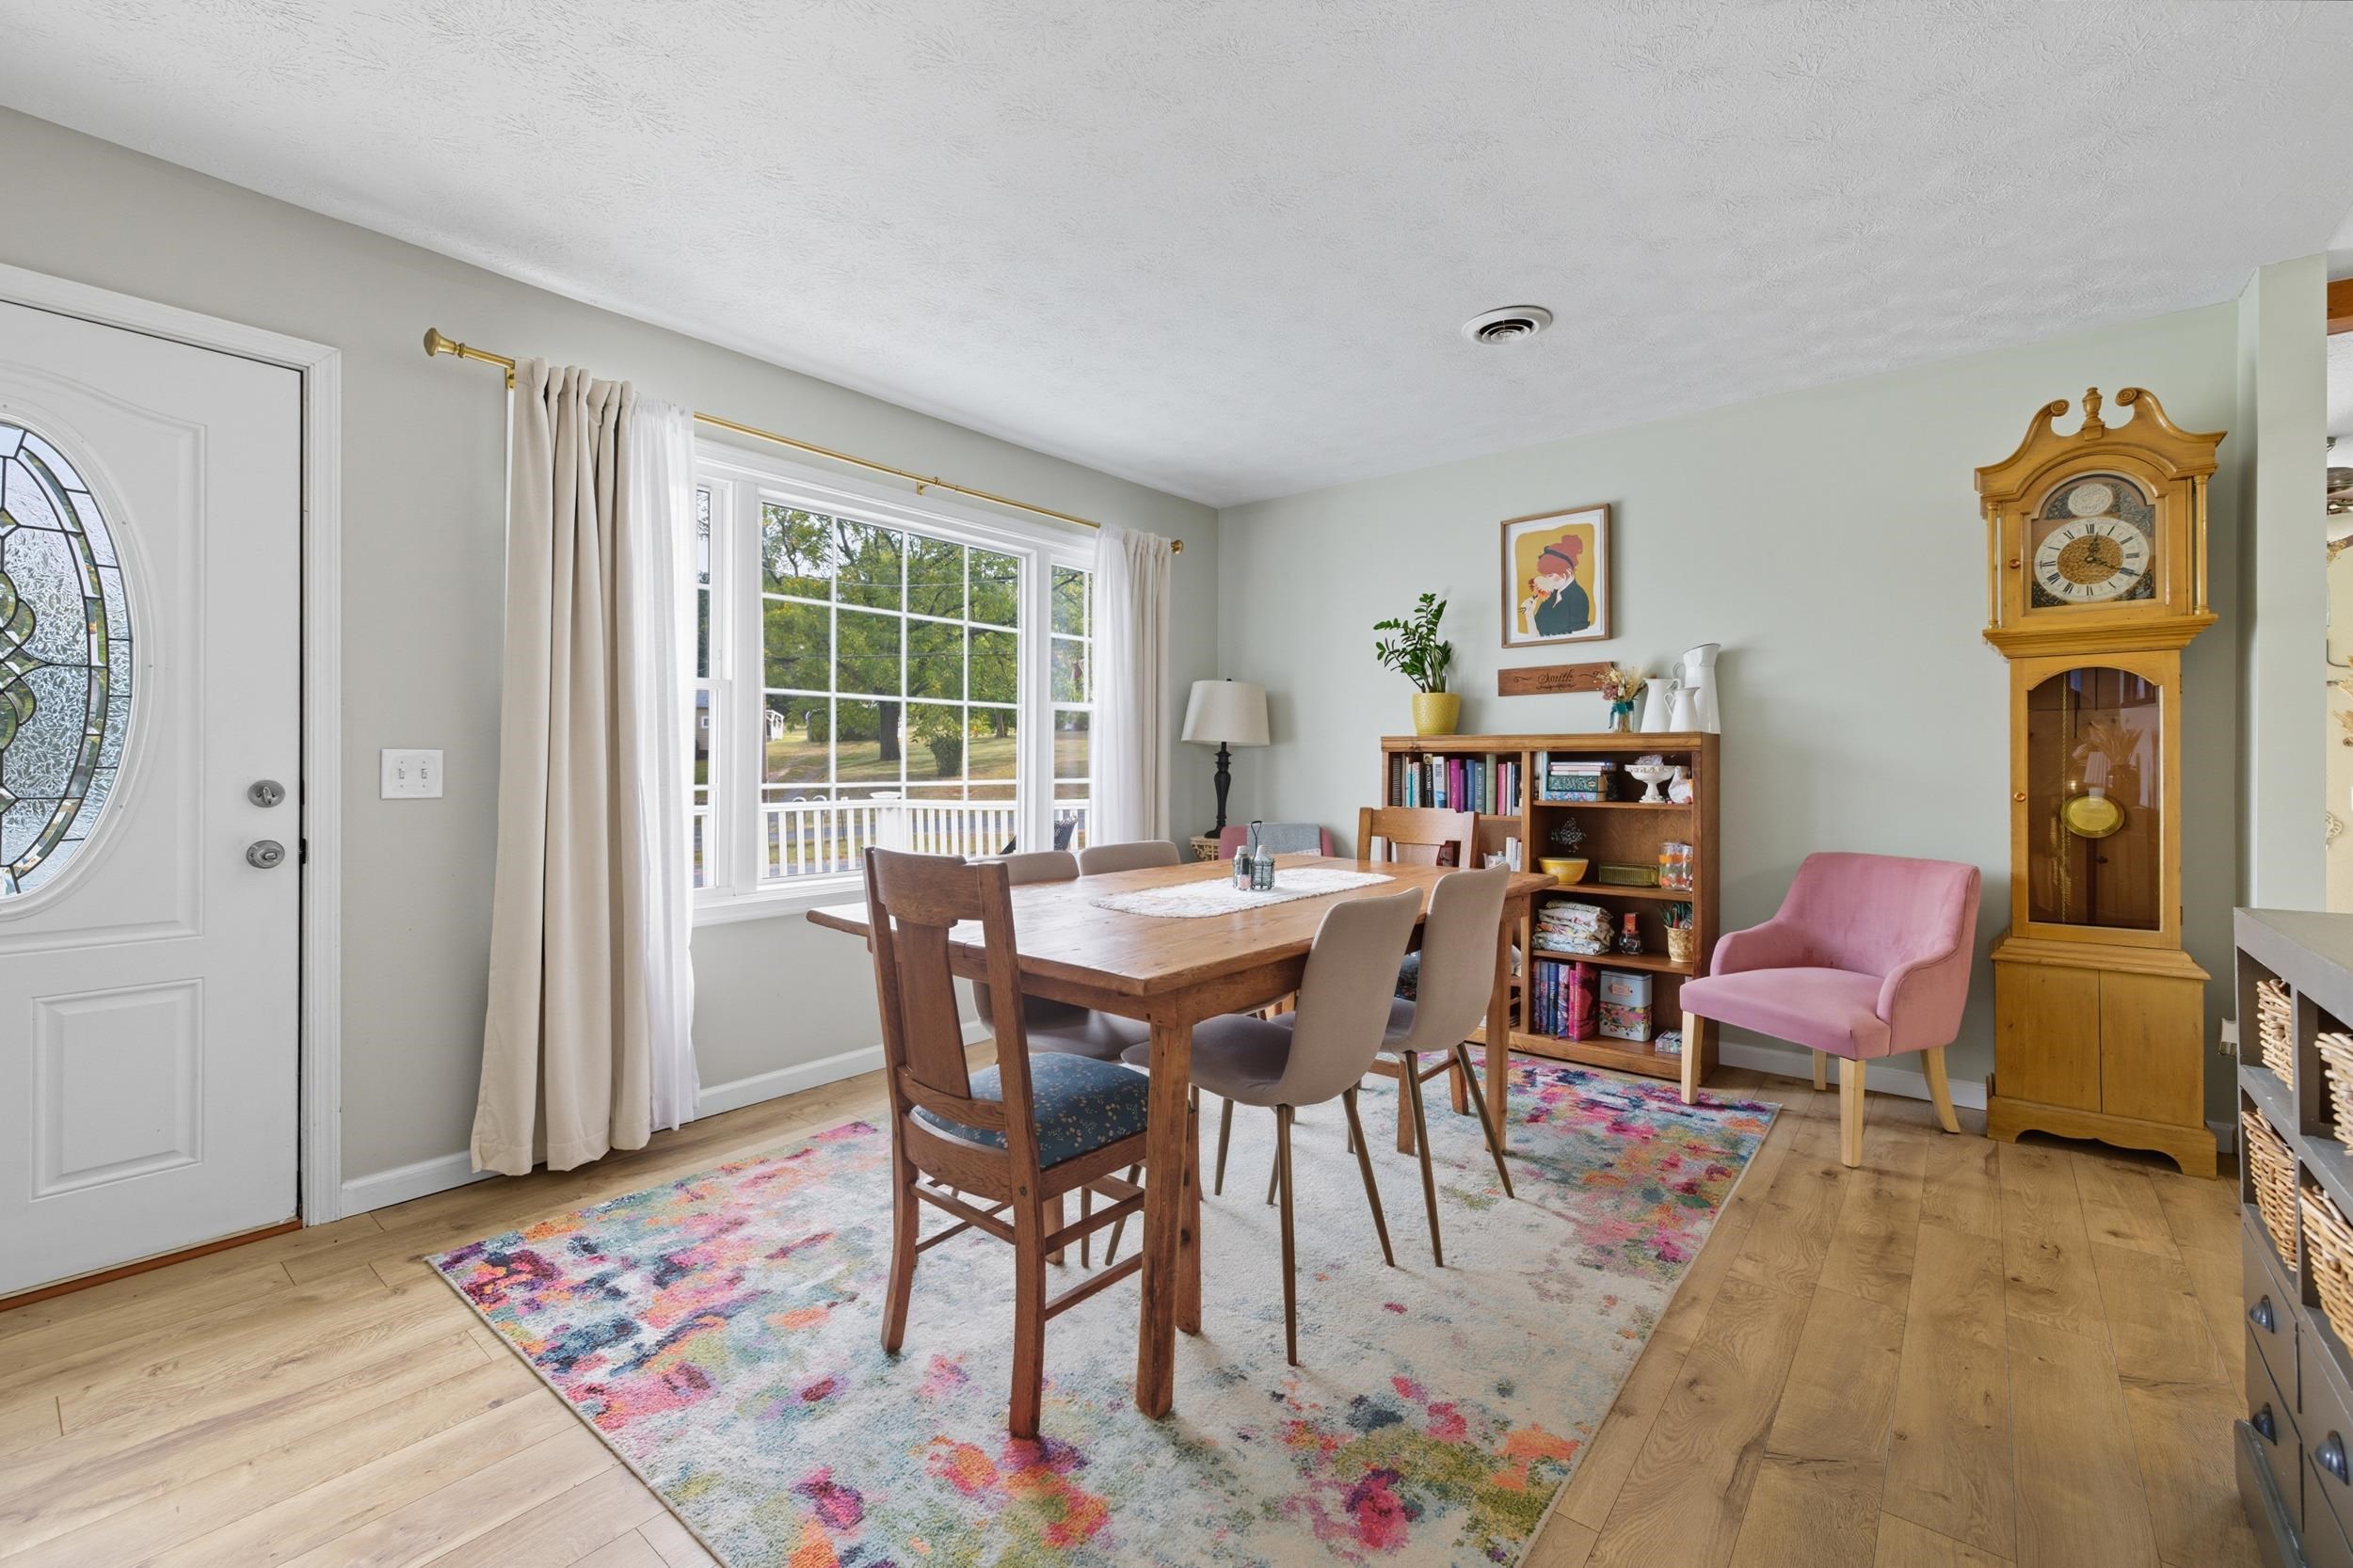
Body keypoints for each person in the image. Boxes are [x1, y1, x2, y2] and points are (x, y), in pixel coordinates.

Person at [1519, 534, 1591, 637]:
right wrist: (1529, 614)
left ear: (1568, 571)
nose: (1548, 580)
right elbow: (1535, 638)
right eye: (1546, 576)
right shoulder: (1550, 597)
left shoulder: (1578, 597)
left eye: (1551, 575)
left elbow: (1577, 640)